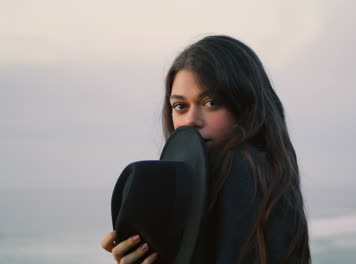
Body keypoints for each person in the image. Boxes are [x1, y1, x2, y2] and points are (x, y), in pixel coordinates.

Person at [102, 35, 311, 263]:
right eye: (180, 106)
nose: (191, 120)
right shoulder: (266, 175)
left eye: (211, 103)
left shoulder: (244, 170)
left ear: (245, 106)